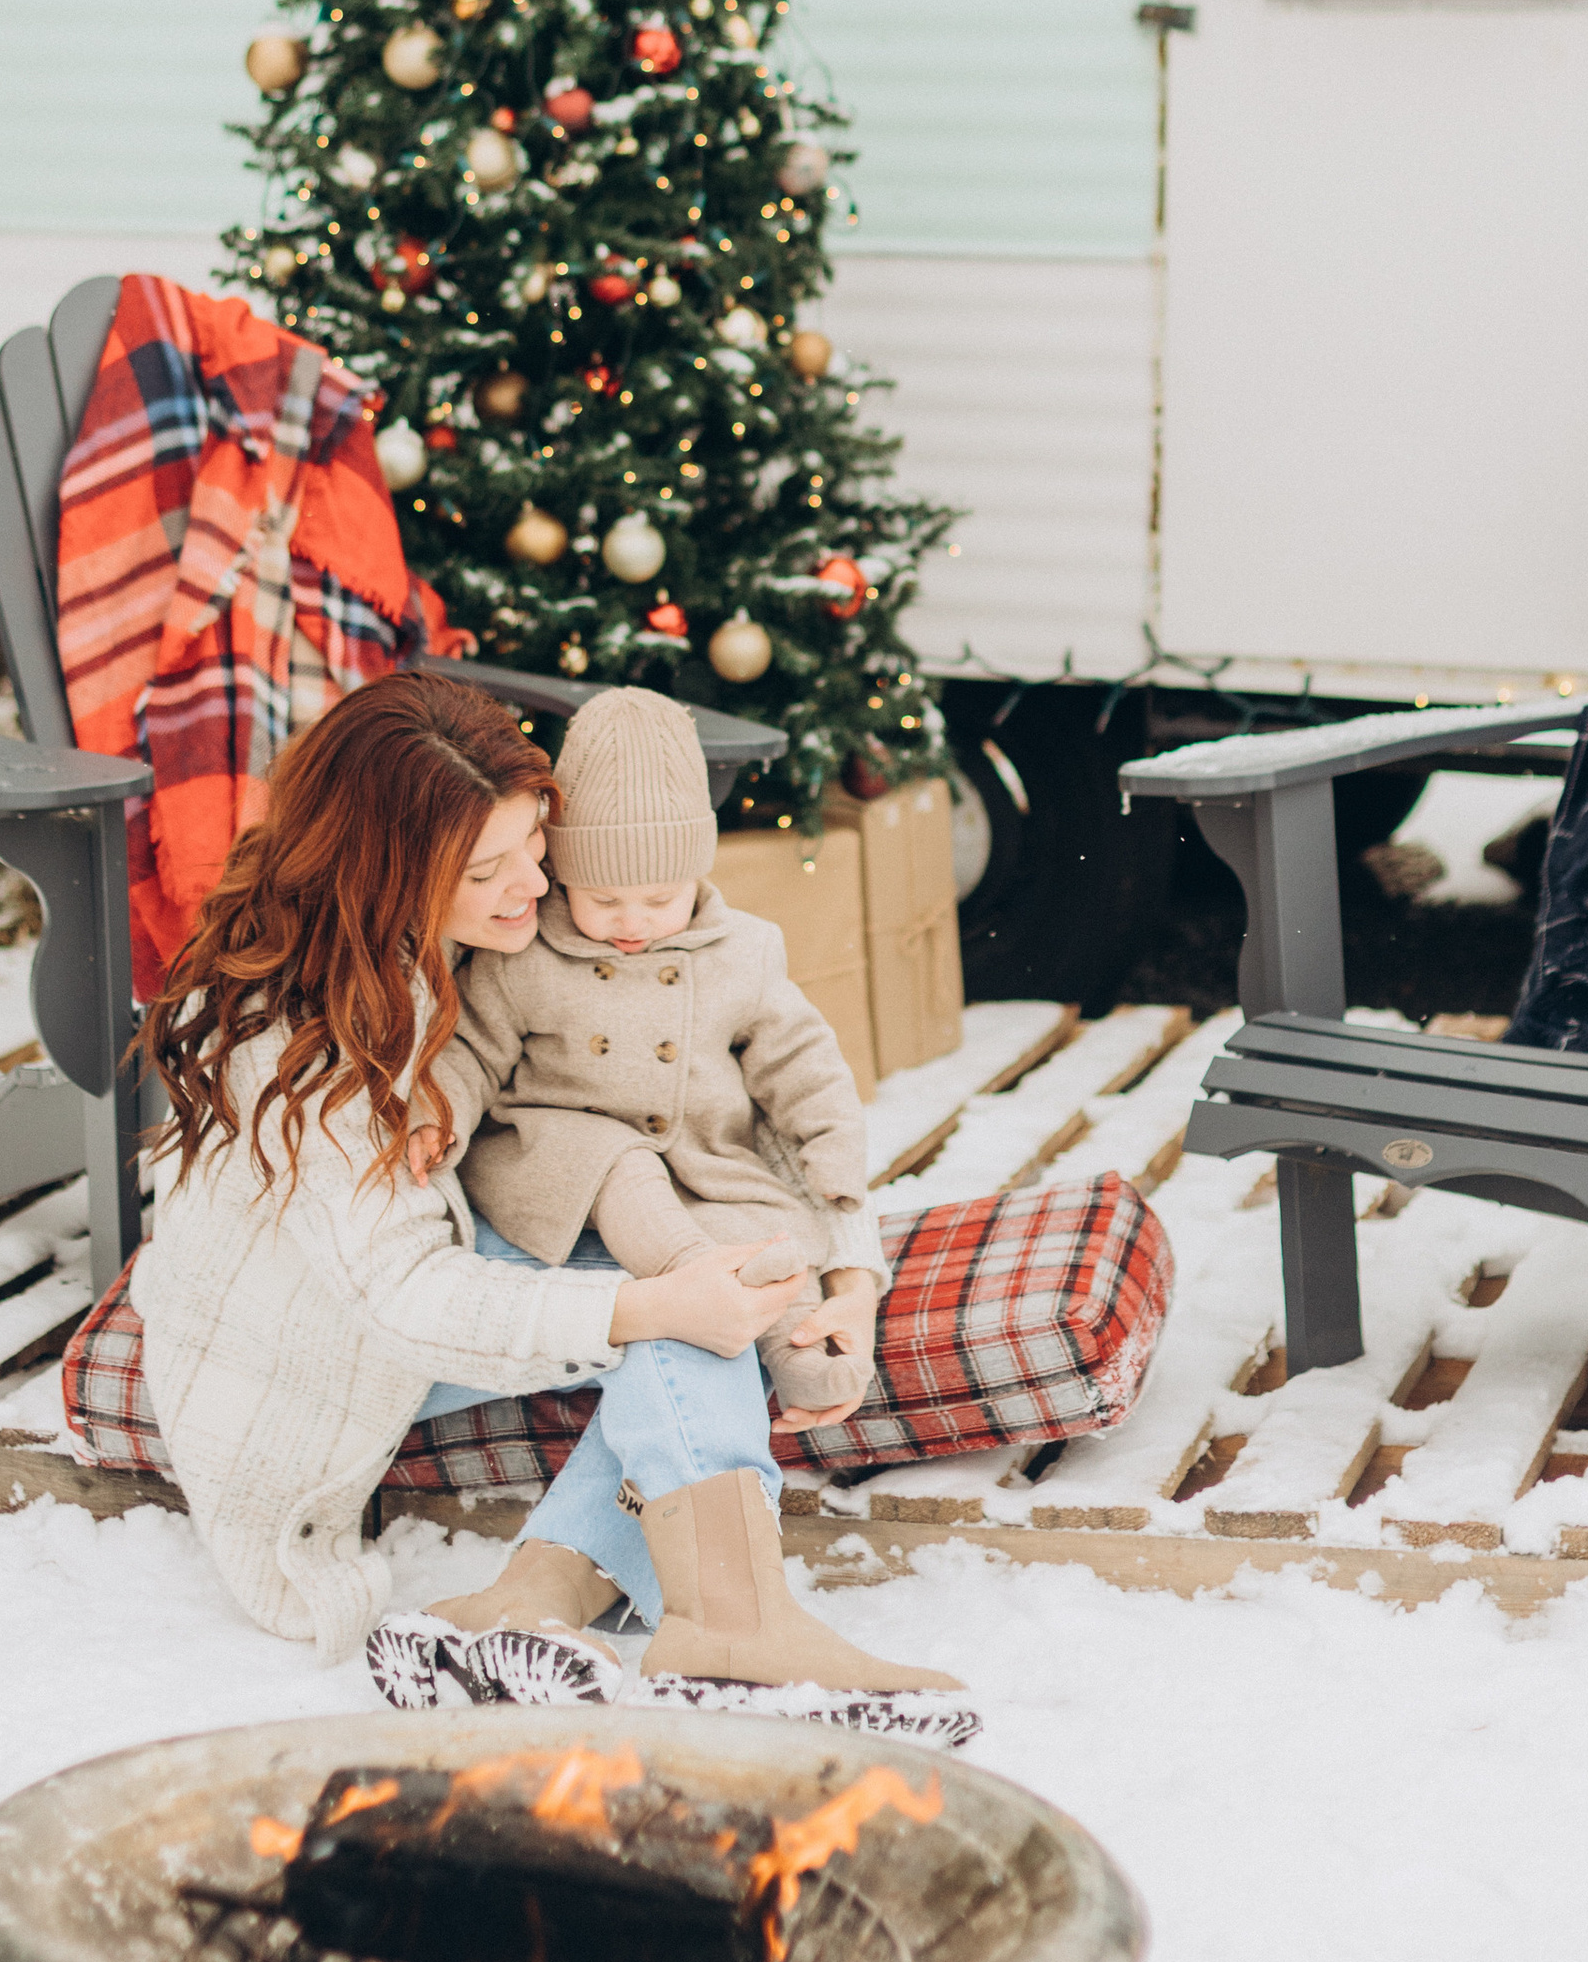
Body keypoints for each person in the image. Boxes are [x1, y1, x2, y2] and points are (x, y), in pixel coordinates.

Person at [127, 670, 965, 1723]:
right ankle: (733, 1629)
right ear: (389, 869)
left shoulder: (449, 947)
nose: (538, 885)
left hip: (441, 1253)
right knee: (683, 1309)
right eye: (491, 868)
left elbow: (791, 1101)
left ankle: (533, 1601)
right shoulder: (297, 1039)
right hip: (314, 1353)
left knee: (703, 1282)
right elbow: (400, 1300)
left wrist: (845, 1266)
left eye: (535, 846)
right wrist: (647, 1306)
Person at [435, 686, 883, 1430]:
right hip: (559, 1159)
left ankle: (805, 1350)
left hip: (701, 1162)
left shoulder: (743, 950)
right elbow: (469, 1052)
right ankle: (695, 1281)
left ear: (698, 875)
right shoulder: (525, 954)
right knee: (621, 1163)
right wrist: (437, 1120)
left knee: (761, 1225)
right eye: (603, 899)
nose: (633, 922)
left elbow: (802, 1062)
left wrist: (833, 1154)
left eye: (659, 898)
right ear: (565, 873)